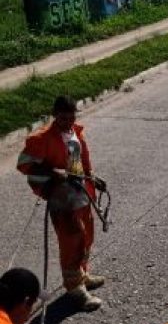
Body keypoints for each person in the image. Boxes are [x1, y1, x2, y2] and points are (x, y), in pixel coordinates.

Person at [17, 96, 105, 311]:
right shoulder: (41, 138)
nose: (68, 121)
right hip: (61, 199)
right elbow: (24, 164)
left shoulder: (76, 131)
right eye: (63, 118)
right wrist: (52, 171)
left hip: (82, 193)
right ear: (54, 115)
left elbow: (82, 159)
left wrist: (93, 176)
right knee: (72, 241)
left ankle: (82, 273)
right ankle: (75, 288)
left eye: (71, 116)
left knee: (86, 237)